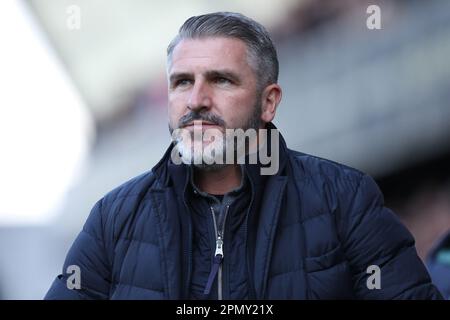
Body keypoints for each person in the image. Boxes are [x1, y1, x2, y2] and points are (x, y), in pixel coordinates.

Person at [45, 12, 442, 300]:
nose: (197, 101)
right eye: (182, 82)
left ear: (268, 103)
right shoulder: (113, 219)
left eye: (221, 80)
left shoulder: (345, 198)